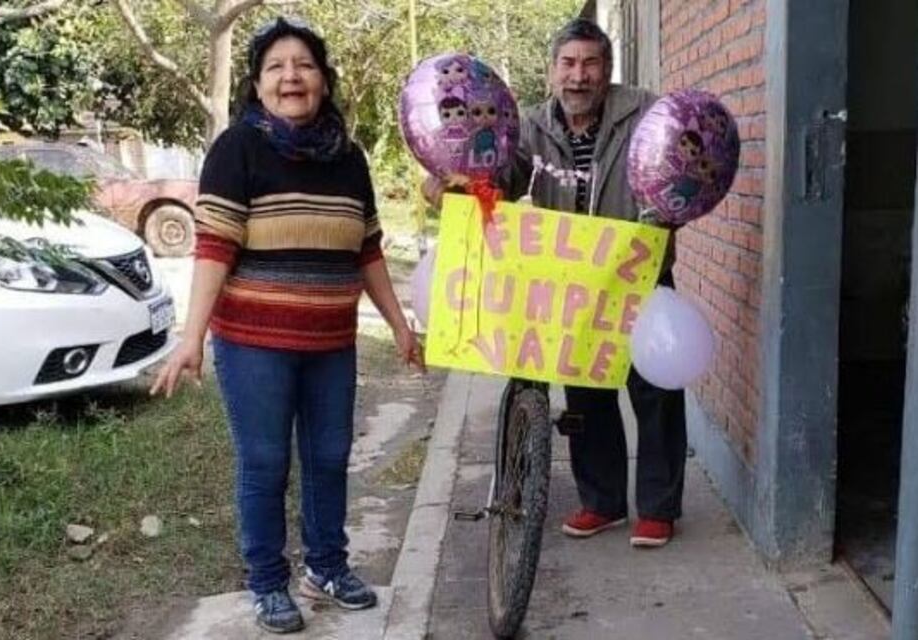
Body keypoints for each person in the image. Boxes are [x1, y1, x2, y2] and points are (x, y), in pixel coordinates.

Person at [150, 17, 424, 635]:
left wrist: (399, 325)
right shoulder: (238, 150)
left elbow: (369, 249)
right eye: (276, 67)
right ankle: (268, 581)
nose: (291, 76)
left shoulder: (349, 159)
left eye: (303, 65)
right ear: (257, 84)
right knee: (265, 461)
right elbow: (214, 247)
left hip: (331, 342)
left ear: (324, 82)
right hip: (254, 345)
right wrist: (192, 337)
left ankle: (326, 566)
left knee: (330, 456)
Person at [424, 18, 685, 549]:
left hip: (638, 274)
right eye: (568, 64)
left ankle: (658, 508)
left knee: (655, 390)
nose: (578, 76)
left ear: (607, 70)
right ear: (551, 71)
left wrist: (667, 213)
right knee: (587, 393)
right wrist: (456, 183)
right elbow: (502, 178)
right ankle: (602, 502)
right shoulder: (532, 126)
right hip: (573, 284)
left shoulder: (645, 113)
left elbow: (673, 173)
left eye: (590, 63)